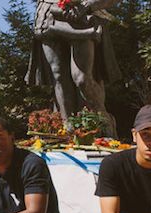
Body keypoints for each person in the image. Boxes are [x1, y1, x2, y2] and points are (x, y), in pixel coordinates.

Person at [26, 0, 121, 131]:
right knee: (58, 76)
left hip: (83, 16)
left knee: (82, 79)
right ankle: (67, 127)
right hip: (49, 15)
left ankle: (103, 122)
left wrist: (88, 5)